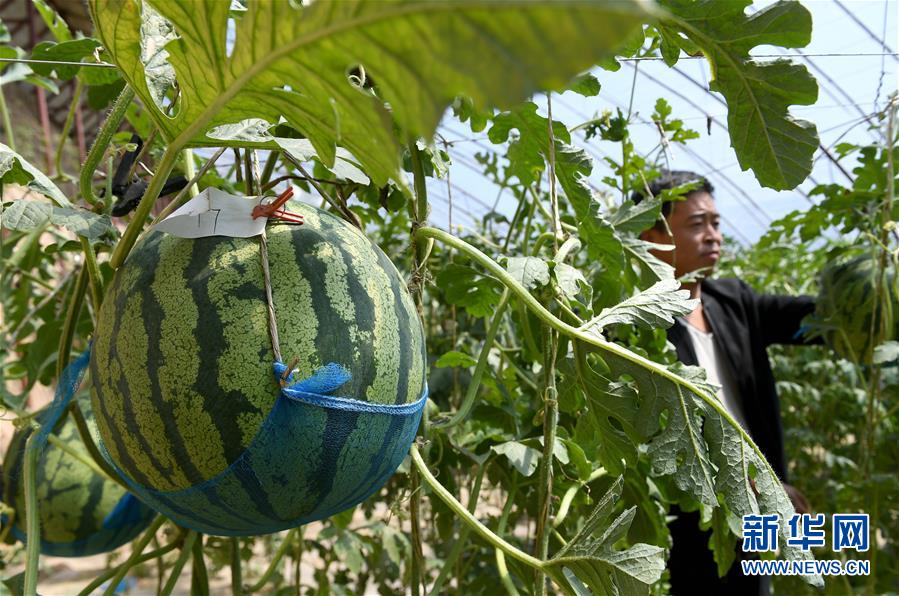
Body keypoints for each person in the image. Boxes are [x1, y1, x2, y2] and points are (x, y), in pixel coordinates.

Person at [631, 171, 814, 595]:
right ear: (651, 234)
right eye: (697, 224)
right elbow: (659, 437)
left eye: (716, 222)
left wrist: (868, 291)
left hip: (757, 520)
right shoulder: (634, 326)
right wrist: (751, 484)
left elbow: (808, 319)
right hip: (692, 526)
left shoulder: (732, 301)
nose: (714, 235)